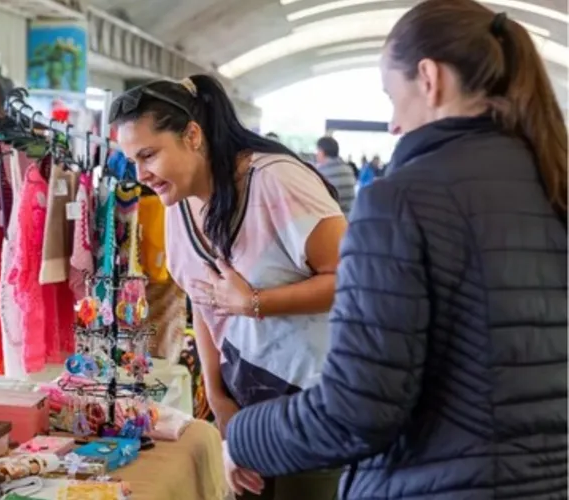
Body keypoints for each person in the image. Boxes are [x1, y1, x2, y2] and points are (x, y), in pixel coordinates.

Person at [224, 1, 567, 499]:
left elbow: (356, 411)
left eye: (391, 95)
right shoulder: (554, 186)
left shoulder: (400, 201)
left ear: (428, 78)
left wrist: (243, 436)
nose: (391, 125)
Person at [110, 75, 348, 499]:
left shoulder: (276, 182)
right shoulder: (177, 202)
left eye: (148, 154)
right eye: (132, 160)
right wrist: (219, 400)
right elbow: (204, 303)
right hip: (245, 407)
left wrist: (256, 303)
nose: (140, 174)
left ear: (193, 135)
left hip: (315, 403)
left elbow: (353, 281)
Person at [314, 136, 356, 214]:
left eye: (317, 151)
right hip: (349, 219)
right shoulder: (348, 170)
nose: (316, 154)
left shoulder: (321, 173)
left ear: (322, 152)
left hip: (333, 221)